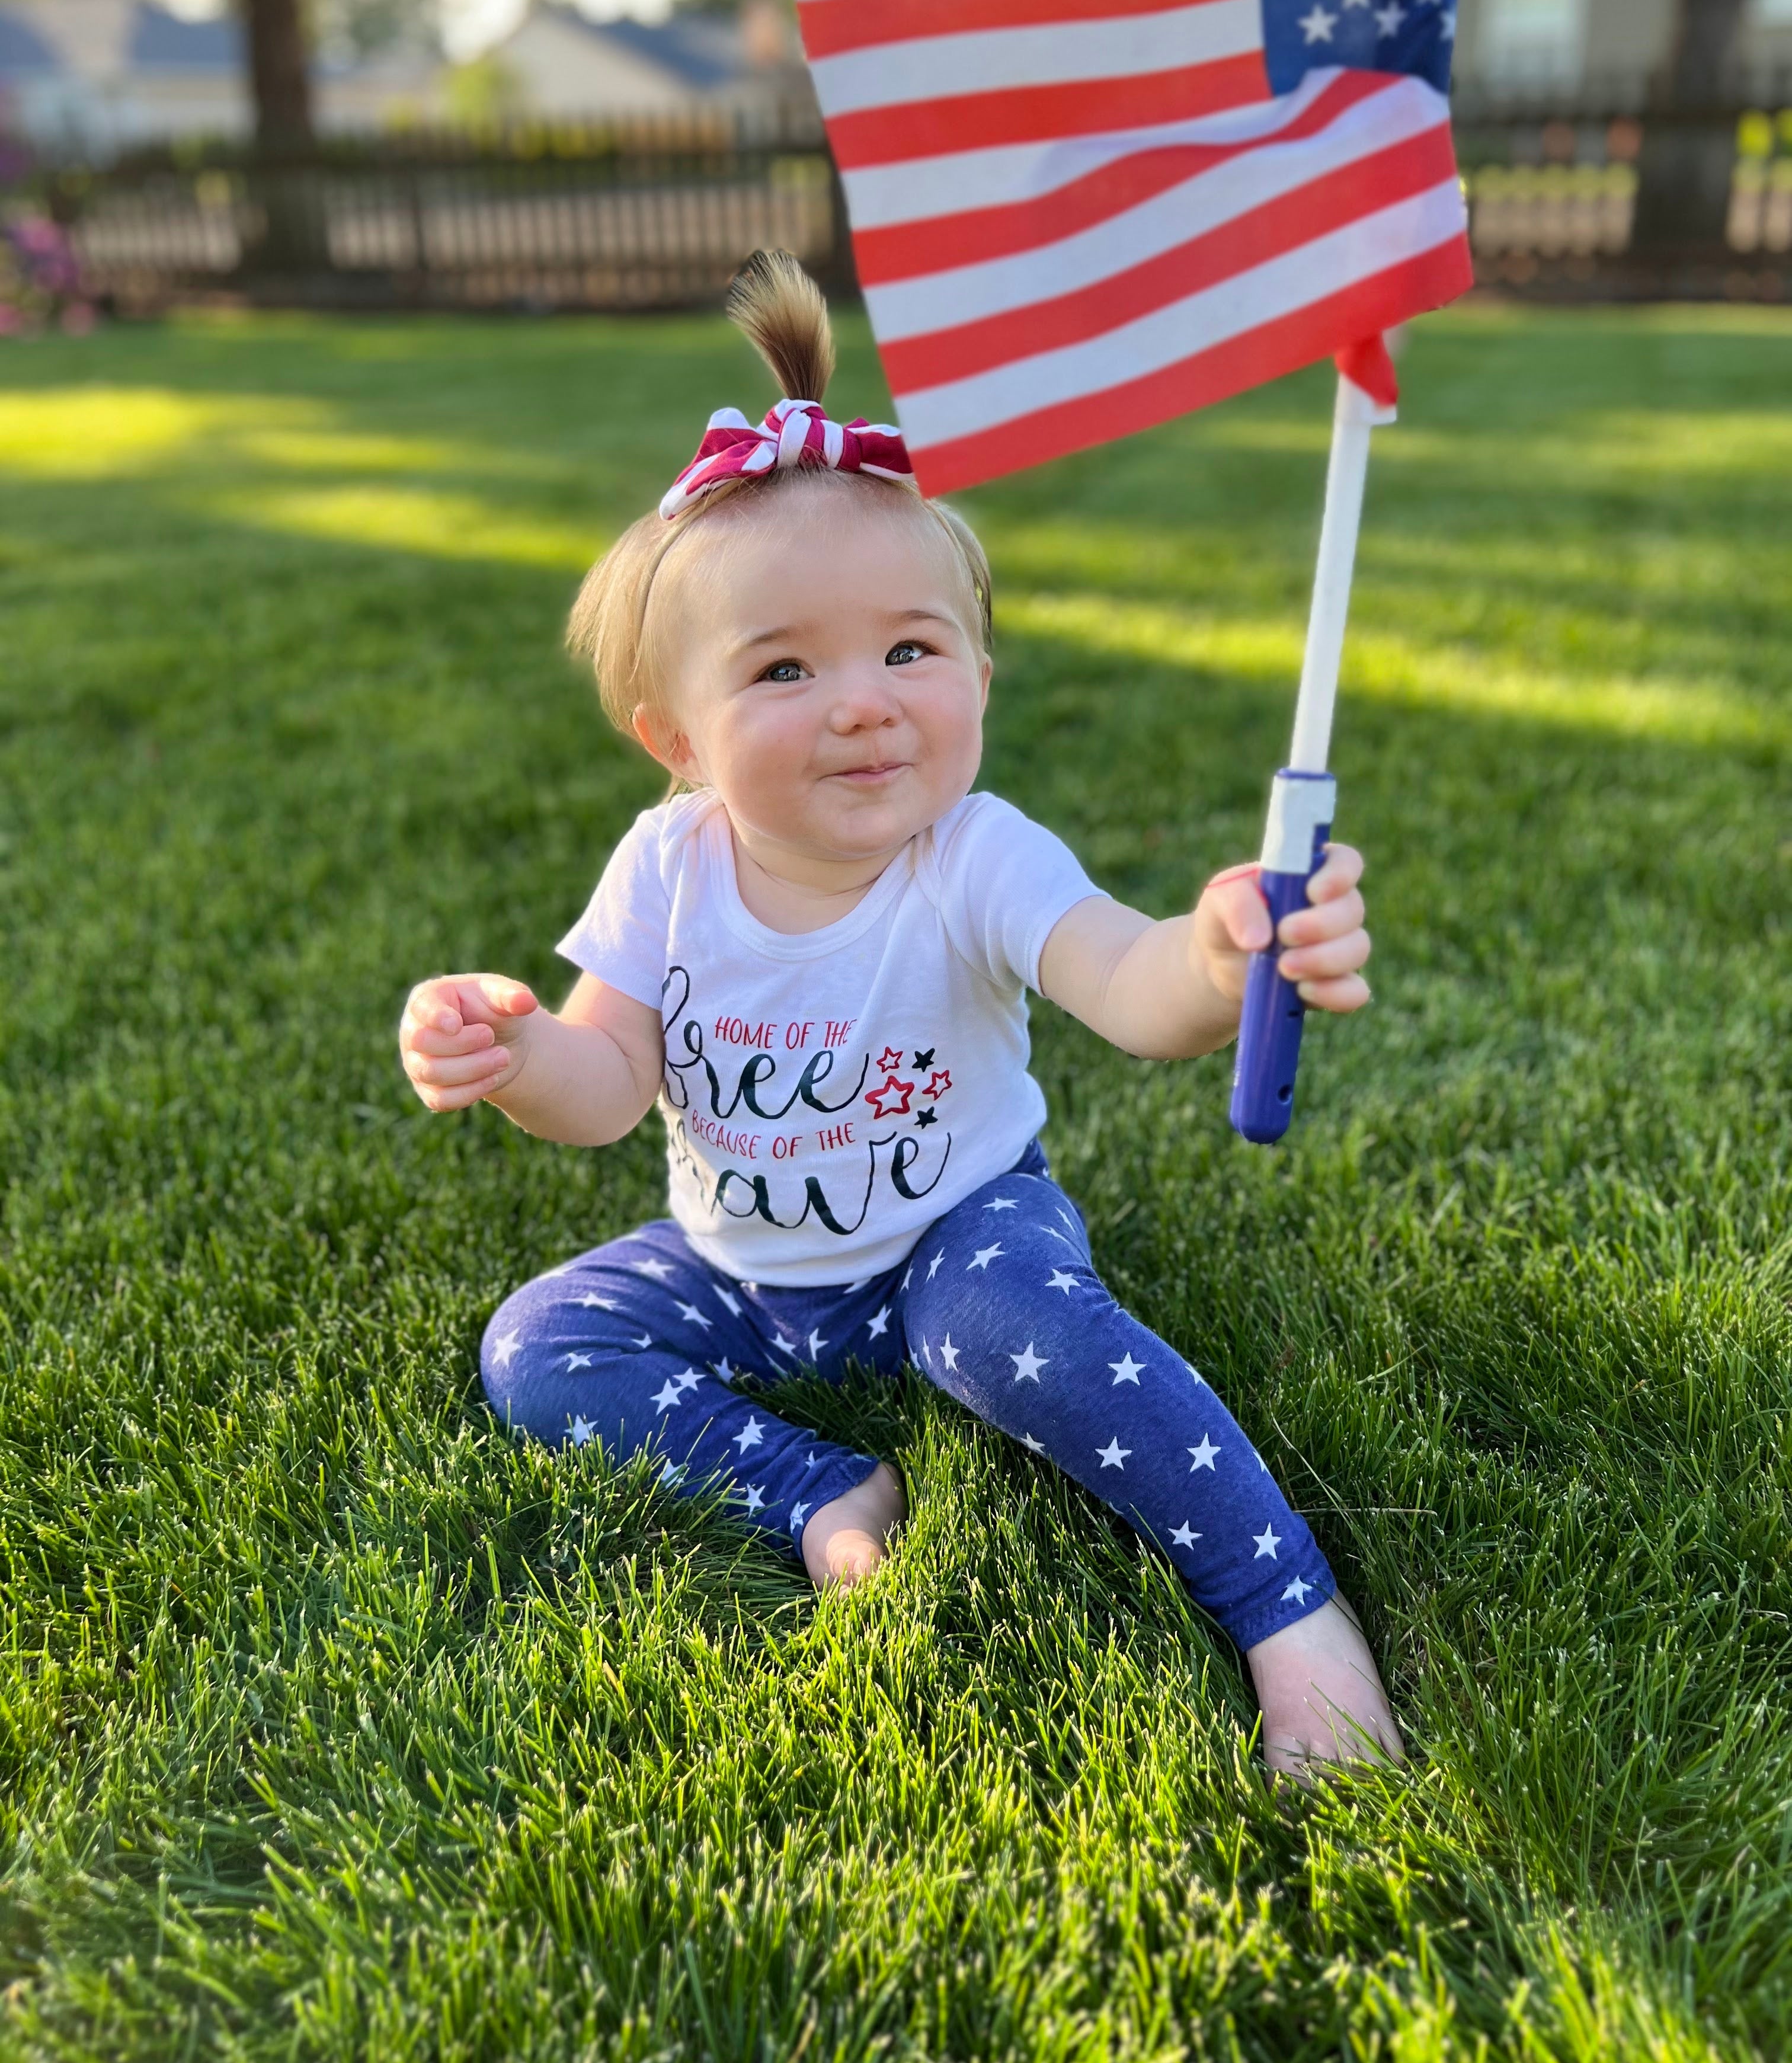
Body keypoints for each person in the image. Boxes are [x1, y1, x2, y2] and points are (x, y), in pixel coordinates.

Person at [398, 251, 1400, 1776]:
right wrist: (520, 1051)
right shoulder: (668, 867)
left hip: (959, 1231)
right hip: (743, 1268)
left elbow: (1130, 987)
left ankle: (1288, 1618)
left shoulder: (974, 856)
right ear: (676, 735)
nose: (864, 699)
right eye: (786, 666)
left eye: (909, 650)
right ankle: (821, 1493)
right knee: (538, 1343)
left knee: (1006, 1328)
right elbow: (606, 1083)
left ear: (980, 677)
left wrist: (1215, 948)